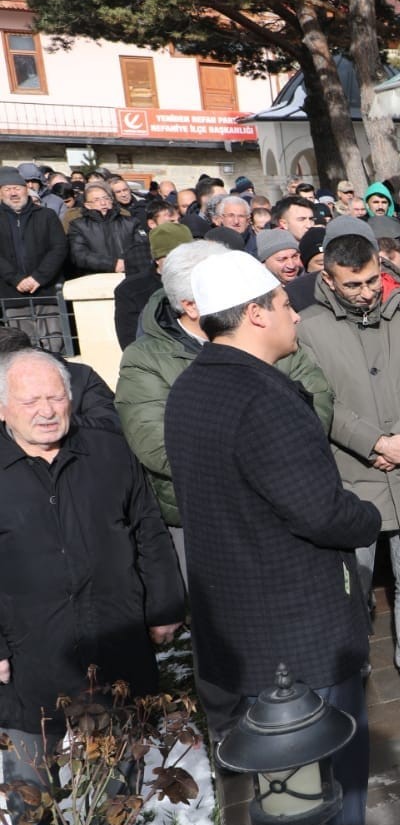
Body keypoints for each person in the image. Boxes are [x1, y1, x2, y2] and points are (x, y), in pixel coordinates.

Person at [163, 251, 400, 825]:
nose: (293, 311)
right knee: (334, 753)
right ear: (252, 314)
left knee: (278, 767)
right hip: (295, 621)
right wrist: (367, 515)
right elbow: (320, 511)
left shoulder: (193, 386)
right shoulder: (263, 398)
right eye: (281, 300)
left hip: (236, 618)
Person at [0, 349, 183, 825]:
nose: (45, 410)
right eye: (30, 400)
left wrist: (165, 605)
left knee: (122, 745)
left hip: (114, 627)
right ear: (3, 409)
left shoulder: (108, 451)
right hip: (28, 646)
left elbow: (148, 527)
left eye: (55, 396)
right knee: (28, 759)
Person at [296, 232, 400, 702]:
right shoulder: (307, 327)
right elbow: (317, 400)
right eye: (352, 285)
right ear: (327, 278)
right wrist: (375, 443)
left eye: (372, 280)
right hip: (355, 472)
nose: (366, 292)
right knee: (355, 584)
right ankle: (354, 660)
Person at [116, 240, 332, 580]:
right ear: (190, 306)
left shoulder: (269, 332)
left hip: (288, 502)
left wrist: (280, 467)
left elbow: (316, 397)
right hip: (203, 516)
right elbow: (157, 444)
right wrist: (262, 466)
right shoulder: (145, 360)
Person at [0, 165, 70, 351]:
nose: (13, 193)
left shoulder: (47, 215)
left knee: (55, 345)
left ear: (27, 190)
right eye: (7, 189)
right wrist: (16, 279)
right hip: (12, 293)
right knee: (22, 348)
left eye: (17, 188)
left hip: (47, 291)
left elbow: (59, 248)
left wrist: (38, 277)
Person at [115, 221, 192, 348]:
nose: (179, 262)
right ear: (157, 259)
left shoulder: (203, 282)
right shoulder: (131, 290)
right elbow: (131, 343)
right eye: (171, 256)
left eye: (185, 256)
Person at [68, 182, 136, 275]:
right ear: (88, 205)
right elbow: (79, 255)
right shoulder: (78, 225)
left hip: (128, 274)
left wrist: (128, 263)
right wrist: (112, 264)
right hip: (95, 278)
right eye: (96, 200)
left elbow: (141, 248)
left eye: (106, 198)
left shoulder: (130, 222)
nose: (103, 203)